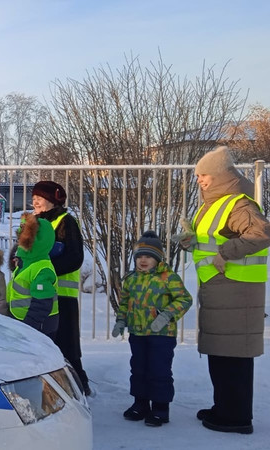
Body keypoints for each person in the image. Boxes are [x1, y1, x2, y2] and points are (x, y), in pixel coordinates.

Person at [179, 145, 270, 435]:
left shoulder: (240, 204)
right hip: (220, 289)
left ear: (219, 175)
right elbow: (211, 241)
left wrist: (226, 253)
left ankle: (237, 417)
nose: (199, 180)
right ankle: (224, 408)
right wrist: (190, 240)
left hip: (237, 290)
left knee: (234, 358)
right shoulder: (214, 203)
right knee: (220, 354)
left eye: (203, 175)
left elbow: (262, 232)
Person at [113, 231, 192, 427]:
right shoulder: (131, 278)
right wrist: (121, 320)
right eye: (139, 256)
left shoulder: (168, 277)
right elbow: (124, 302)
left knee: (159, 370)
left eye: (148, 256)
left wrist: (166, 315)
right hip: (137, 332)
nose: (143, 260)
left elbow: (184, 299)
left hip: (162, 335)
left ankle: (160, 408)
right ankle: (140, 404)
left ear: (157, 258)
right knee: (138, 369)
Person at [32, 180, 91, 395]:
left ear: (52, 200)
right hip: (37, 295)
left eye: (40, 197)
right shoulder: (33, 223)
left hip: (62, 295)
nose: (35, 201)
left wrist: (46, 271)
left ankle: (79, 385)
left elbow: (74, 257)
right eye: (34, 198)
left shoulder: (66, 222)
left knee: (67, 344)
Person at [7, 213, 59, 336]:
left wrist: (28, 327)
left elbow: (42, 305)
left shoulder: (42, 269)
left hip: (38, 327)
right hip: (21, 322)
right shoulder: (26, 262)